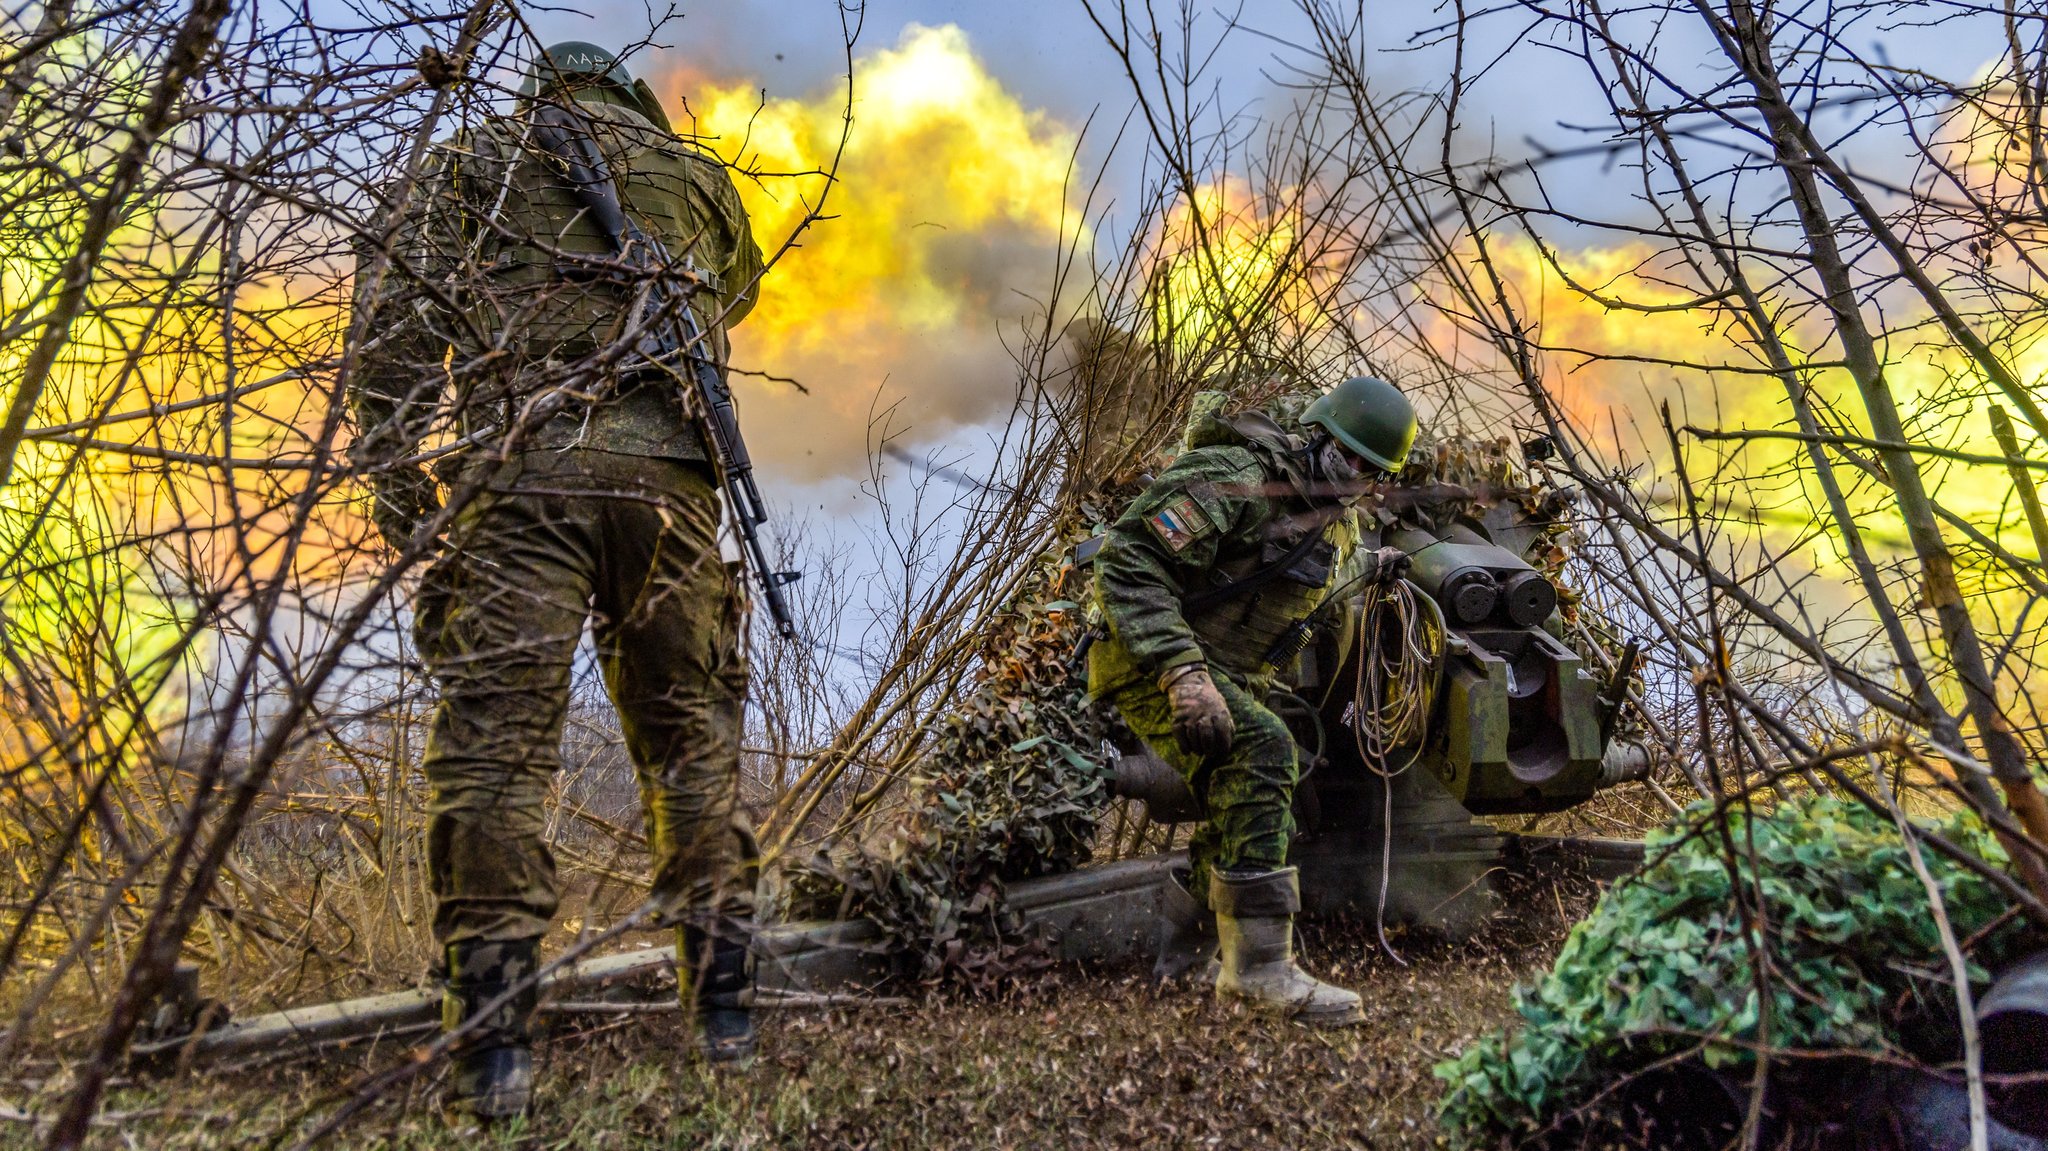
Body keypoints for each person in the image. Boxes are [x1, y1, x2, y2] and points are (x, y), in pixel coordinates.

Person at [347, 40, 768, 1124]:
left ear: (543, 94)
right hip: (669, 483)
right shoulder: (698, 176)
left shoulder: (468, 165)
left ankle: (492, 1049)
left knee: (495, 742)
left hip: (520, 472)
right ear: (623, 96)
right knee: (691, 730)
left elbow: (394, 330)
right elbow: (739, 289)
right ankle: (723, 1012)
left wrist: (400, 492)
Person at [1087, 376, 1417, 1026]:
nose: (1355, 477)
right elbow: (1127, 561)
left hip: (1221, 675)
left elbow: (1323, 579)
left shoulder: (1336, 525)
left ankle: (1185, 959)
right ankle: (1260, 972)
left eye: (1371, 471)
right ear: (1319, 433)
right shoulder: (1236, 473)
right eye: (1348, 457)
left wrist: (1373, 565)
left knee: (1256, 807)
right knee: (1265, 751)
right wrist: (1182, 673)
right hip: (1143, 656)